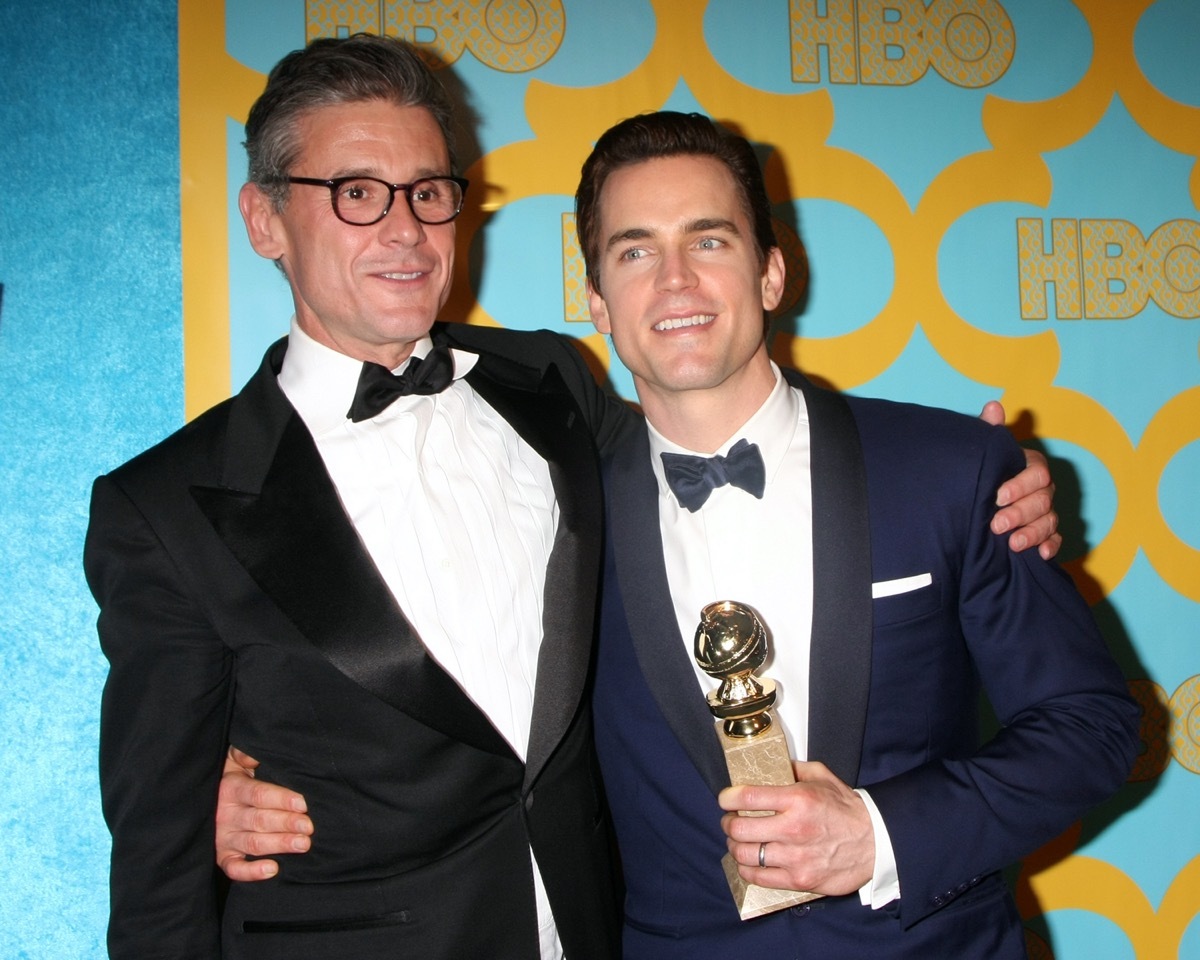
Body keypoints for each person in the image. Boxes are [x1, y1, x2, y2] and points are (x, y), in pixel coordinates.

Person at [213, 109, 1133, 958]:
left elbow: (1093, 728)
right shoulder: (549, 510)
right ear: (599, 302)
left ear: (771, 271)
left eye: (710, 240)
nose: (678, 281)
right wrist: (230, 781)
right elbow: (437, 698)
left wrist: (881, 834)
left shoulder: (953, 471)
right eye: (635, 252)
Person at [84, 34, 632, 960]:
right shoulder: (166, 507)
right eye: (355, 193)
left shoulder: (553, 383)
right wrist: (193, 801)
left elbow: (712, 465)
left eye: (428, 191)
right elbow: (156, 870)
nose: (406, 228)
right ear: (263, 222)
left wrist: (956, 466)